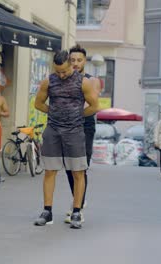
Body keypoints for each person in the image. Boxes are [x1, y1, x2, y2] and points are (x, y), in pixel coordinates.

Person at [33, 50, 98, 229]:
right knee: (50, 171)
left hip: (74, 131)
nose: (61, 75)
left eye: (65, 71)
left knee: (78, 172)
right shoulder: (49, 81)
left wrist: (78, 116)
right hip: (53, 130)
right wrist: (54, 113)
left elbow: (94, 106)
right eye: (58, 71)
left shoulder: (83, 82)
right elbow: (38, 103)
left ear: (72, 65)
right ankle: (47, 212)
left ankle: (76, 212)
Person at [64, 44, 102, 224]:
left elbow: (91, 104)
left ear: (84, 61)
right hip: (66, 124)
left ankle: (76, 207)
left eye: (79, 60)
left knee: (81, 166)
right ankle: (78, 200)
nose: (75, 63)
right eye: (72, 60)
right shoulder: (63, 78)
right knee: (68, 166)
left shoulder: (92, 80)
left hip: (85, 123)